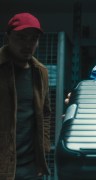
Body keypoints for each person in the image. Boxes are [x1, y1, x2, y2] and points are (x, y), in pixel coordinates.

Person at [0, 12, 51, 180]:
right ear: (8, 37)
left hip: (30, 167)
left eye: (33, 39)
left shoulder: (40, 72)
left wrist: (43, 148)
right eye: (22, 37)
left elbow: (45, 112)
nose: (28, 44)